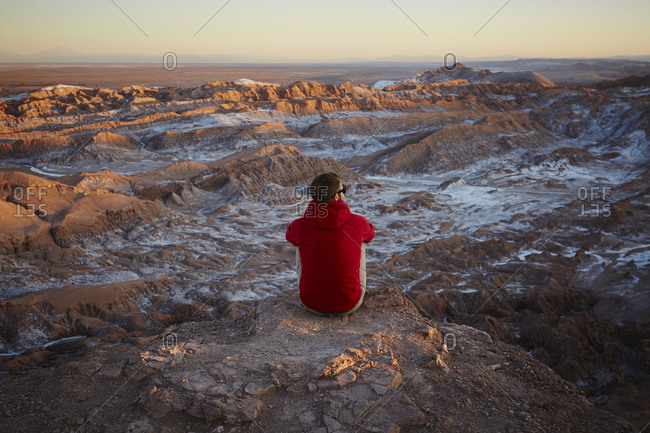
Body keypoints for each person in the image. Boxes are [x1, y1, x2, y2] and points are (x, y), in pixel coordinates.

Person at [286, 172, 375, 316]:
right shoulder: (357, 223)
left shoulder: (299, 225)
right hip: (349, 304)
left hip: (311, 303)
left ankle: (315, 291)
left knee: (298, 241)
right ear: (336, 197)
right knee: (360, 239)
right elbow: (371, 233)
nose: (344, 194)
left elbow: (289, 235)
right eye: (343, 191)